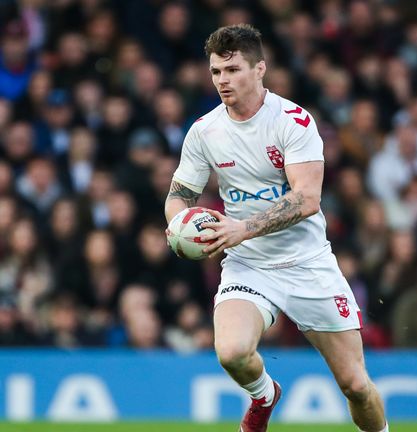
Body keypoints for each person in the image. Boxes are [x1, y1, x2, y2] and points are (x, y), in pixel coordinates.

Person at [164, 24, 388, 432]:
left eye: (232, 70)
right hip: (249, 266)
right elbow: (179, 193)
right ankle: (265, 396)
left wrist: (241, 229)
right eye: (216, 72)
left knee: (356, 385)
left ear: (259, 68)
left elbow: (307, 199)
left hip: (308, 263)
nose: (222, 80)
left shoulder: (293, 121)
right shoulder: (204, 131)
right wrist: (179, 225)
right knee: (231, 352)